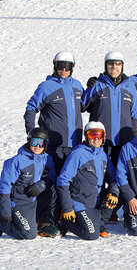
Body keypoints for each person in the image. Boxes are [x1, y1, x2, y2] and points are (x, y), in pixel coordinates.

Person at [24, 51, 83, 236]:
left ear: (72, 67)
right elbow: (31, 108)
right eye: (60, 66)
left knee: (69, 184)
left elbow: (88, 105)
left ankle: (65, 218)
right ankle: (45, 221)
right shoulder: (46, 86)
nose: (63, 70)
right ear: (54, 66)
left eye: (67, 66)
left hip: (74, 145)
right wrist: (32, 133)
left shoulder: (77, 86)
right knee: (50, 182)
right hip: (52, 146)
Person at [83, 51, 137, 223]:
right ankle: (95, 210)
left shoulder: (130, 87)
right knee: (98, 176)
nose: (114, 67)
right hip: (99, 141)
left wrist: (135, 136)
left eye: (117, 64)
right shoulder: (98, 85)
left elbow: (135, 114)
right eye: (110, 64)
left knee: (119, 176)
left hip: (122, 141)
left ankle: (112, 211)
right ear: (105, 65)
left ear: (122, 66)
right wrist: (89, 87)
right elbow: (82, 105)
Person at [56, 121, 118, 240]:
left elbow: (113, 178)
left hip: (96, 201)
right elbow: (63, 181)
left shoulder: (103, 155)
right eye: (92, 135)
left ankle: (99, 223)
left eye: (99, 135)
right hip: (80, 201)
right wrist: (67, 208)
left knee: (116, 195)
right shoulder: (78, 153)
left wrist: (113, 193)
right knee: (91, 235)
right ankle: (65, 222)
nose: (96, 139)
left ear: (104, 137)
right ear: (86, 136)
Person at [0, 128, 56, 239]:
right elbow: (4, 187)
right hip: (16, 202)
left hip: (31, 202)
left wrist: (41, 185)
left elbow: (52, 177)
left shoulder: (47, 159)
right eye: (35, 142)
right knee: (29, 234)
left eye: (42, 143)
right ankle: (2, 224)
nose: (38, 146)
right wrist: (5, 212)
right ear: (29, 141)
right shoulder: (18, 161)